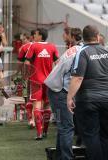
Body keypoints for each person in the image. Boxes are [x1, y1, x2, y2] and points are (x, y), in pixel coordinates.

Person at [67, 25, 108, 160]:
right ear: (97, 36)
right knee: (105, 135)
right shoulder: (106, 51)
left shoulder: (82, 52)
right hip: (106, 99)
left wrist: (69, 97)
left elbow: (78, 77)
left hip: (88, 100)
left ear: (84, 38)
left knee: (91, 135)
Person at [44, 27, 83, 160]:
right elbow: (73, 77)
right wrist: (70, 97)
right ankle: (66, 157)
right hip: (59, 91)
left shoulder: (74, 50)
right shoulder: (80, 52)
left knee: (63, 127)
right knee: (66, 127)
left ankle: (60, 156)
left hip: (55, 90)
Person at [25, 28, 59, 140]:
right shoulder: (52, 47)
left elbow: (27, 63)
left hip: (36, 81)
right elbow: (58, 63)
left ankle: (39, 133)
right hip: (48, 81)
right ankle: (45, 132)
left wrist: (26, 75)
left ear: (40, 36)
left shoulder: (33, 46)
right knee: (47, 106)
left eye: (35, 34)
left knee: (37, 106)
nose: (34, 36)